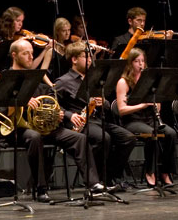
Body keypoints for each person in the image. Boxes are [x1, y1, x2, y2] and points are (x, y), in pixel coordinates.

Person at [2, 39, 107, 202]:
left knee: (79, 138)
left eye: (32, 53)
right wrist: (20, 100)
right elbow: (1, 111)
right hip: (17, 128)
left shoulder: (34, 77)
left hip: (42, 127)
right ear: (14, 55)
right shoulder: (6, 78)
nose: (31, 57)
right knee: (34, 138)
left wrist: (56, 113)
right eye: (25, 53)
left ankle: (93, 184)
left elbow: (49, 101)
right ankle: (41, 188)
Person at [54, 41, 136, 187]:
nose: (90, 61)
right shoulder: (63, 82)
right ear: (74, 60)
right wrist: (69, 115)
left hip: (97, 120)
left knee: (128, 138)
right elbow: (53, 106)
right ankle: (96, 180)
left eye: (91, 57)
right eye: (86, 57)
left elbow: (105, 106)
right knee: (103, 138)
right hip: (80, 123)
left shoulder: (94, 80)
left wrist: (102, 101)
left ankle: (109, 176)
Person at [114, 48, 177, 187]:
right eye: (137, 61)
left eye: (143, 61)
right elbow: (122, 110)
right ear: (130, 63)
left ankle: (165, 171)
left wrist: (157, 102)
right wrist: (142, 105)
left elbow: (158, 105)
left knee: (171, 134)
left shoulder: (149, 81)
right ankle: (150, 171)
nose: (140, 64)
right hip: (132, 120)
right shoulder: (123, 82)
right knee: (152, 134)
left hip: (150, 119)